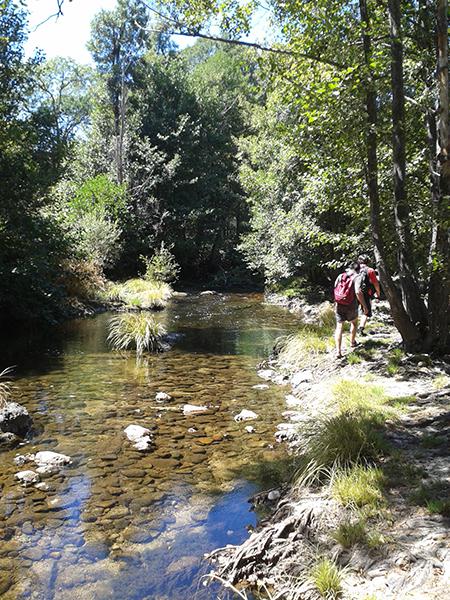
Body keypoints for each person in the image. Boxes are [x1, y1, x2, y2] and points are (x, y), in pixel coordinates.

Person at [334, 262, 361, 359]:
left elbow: (335, 288)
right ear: (358, 269)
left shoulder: (341, 276)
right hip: (351, 305)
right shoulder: (356, 278)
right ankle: (353, 342)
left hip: (339, 304)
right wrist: (364, 305)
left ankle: (338, 351)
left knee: (339, 326)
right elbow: (358, 292)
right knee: (354, 323)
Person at [356, 254, 381, 336]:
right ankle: (360, 328)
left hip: (354, 293)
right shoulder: (370, 270)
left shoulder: (355, 270)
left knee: (356, 311)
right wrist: (378, 294)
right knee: (365, 312)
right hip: (365, 293)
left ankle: (353, 330)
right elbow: (376, 283)